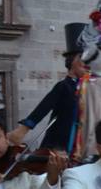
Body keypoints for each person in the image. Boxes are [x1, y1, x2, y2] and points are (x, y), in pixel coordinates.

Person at [9, 27, 89, 158]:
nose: (87, 63)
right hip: (60, 142)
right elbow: (44, 107)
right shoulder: (63, 86)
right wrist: (24, 129)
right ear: (73, 60)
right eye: (83, 58)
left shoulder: (87, 88)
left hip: (82, 141)